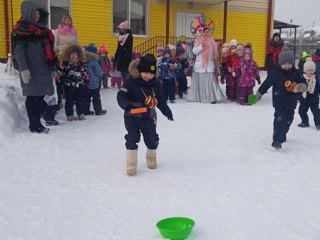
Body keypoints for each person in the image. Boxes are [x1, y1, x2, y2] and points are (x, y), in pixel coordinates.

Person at [117, 54, 174, 176]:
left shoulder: (156, 84)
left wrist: (167, 111)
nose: (148, 76)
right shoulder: (130, 81)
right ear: (140, 70)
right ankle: (131, 164)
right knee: (132, 138)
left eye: (151, 73)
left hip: (149, 116)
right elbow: (121, 96)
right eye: (146, 73)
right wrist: (127, 105)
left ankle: (151, 158)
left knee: (151, 139)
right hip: (132, 116)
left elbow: (161, 100)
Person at [11, 1, 56, 133]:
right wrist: (24, 69)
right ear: (28, 14)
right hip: (31, 70)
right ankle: (34, 125)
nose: (36, 16)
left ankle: (38, 123)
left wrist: (53, 68)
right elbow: (18, 52)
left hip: (44, 69)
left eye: (38, 13)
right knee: (33, 97)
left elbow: (51, 51)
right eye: (34, 13)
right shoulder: (21, 30)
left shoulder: (43, 31)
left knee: (42, 96)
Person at [256, 47, 307, 150]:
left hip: (291, 102)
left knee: (288, 120)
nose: (287, 66)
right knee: (279, 120)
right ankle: (277, 140)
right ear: (280, 63)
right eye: (284, 64)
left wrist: (300, 88)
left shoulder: (296, 73)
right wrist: (259, 94)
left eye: (289, 63)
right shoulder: (275, 73)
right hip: (279, 101)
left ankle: (283, 134)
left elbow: (304, 84)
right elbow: (266, 84)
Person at [188, 26, 224, 104]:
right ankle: (201, 97)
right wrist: (202, 46)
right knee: (201, 82)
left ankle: (212, 98)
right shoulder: (198, 41)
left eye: (207, 32)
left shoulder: (212, 42)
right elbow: (194, 51)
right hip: (200, 64)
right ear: (202, 32)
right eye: (205, 32)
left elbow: (215, 53)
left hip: (209, 65)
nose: (206, 33)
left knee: (210, 82)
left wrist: (215, 56)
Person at [57, 44, 89, 121]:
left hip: (80, 85)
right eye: (71, 54)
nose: (73, 56)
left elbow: (85, 73)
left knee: (80, 100)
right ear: (68, 55)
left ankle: (80, 113)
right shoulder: (65, 64)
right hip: (69, 86)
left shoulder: (81, 64)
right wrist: (59, 75)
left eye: (75, 54)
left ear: (78, 55)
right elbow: (61, 72)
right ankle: (70, 115)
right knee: (69, 101)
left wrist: (86, 80)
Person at [84, 44, 107, 116]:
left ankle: (86, 110)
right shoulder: (94, 61)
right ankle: (98, 110)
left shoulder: (84, 61)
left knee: (87, 97)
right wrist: (101, 74)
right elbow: (98, 72)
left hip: (86, 82)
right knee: (96, 97)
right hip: (94, 83)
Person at [297, 58, 320, 129]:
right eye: (308, 70)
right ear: (305, 70)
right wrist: (298, 96)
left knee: (316, 111)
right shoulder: (301, 78)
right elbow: (298, 88)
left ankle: (318, 124)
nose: (310, 72)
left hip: (314, 98)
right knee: (301, 111)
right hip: (304, 98)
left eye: (312, 70)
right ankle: (305, 122)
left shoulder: (316, 78)